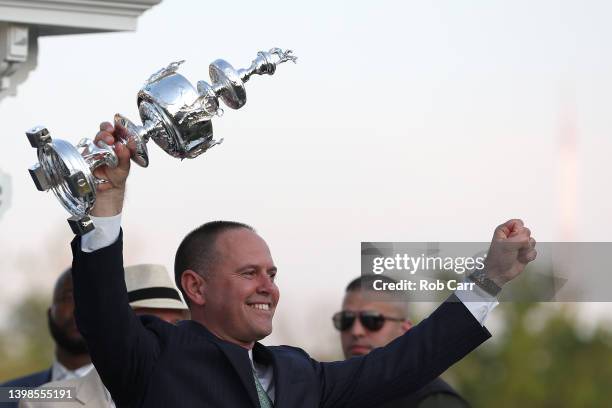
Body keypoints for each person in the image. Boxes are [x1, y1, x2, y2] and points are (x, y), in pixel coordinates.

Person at [67, 122, 537, 407]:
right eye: (248, 273)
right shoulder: (153, 356)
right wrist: (108, 201)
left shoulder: (300, 374)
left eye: (272, 274)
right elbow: (103, 311)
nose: (267, 287)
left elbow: (404, 363)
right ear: (196, 286)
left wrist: (489, 280)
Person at [19, 264, 189, 408]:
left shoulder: (206, 396)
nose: (166, 335)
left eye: (175, 325)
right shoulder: (43, 403)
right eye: (150, 324)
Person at [335, 275, 470, 408]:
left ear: (405, 330)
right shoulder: (327, 394)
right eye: (346, 319)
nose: (356, 331)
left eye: (372, 320)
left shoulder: (434, 401)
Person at [1, 269, 93, 408]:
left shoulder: (130, 394)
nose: (79, 309)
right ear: (50, 313)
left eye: (91, 298)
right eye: (69, 298)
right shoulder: (7, 395)